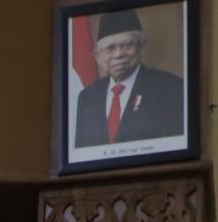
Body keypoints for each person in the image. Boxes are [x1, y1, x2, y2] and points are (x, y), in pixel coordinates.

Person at [73, 10, 186, 149]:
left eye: (127, 46)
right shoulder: (86, 98)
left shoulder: (171, 89)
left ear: (141, 48)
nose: (119, 54)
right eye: (110, 48)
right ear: (97, 56)